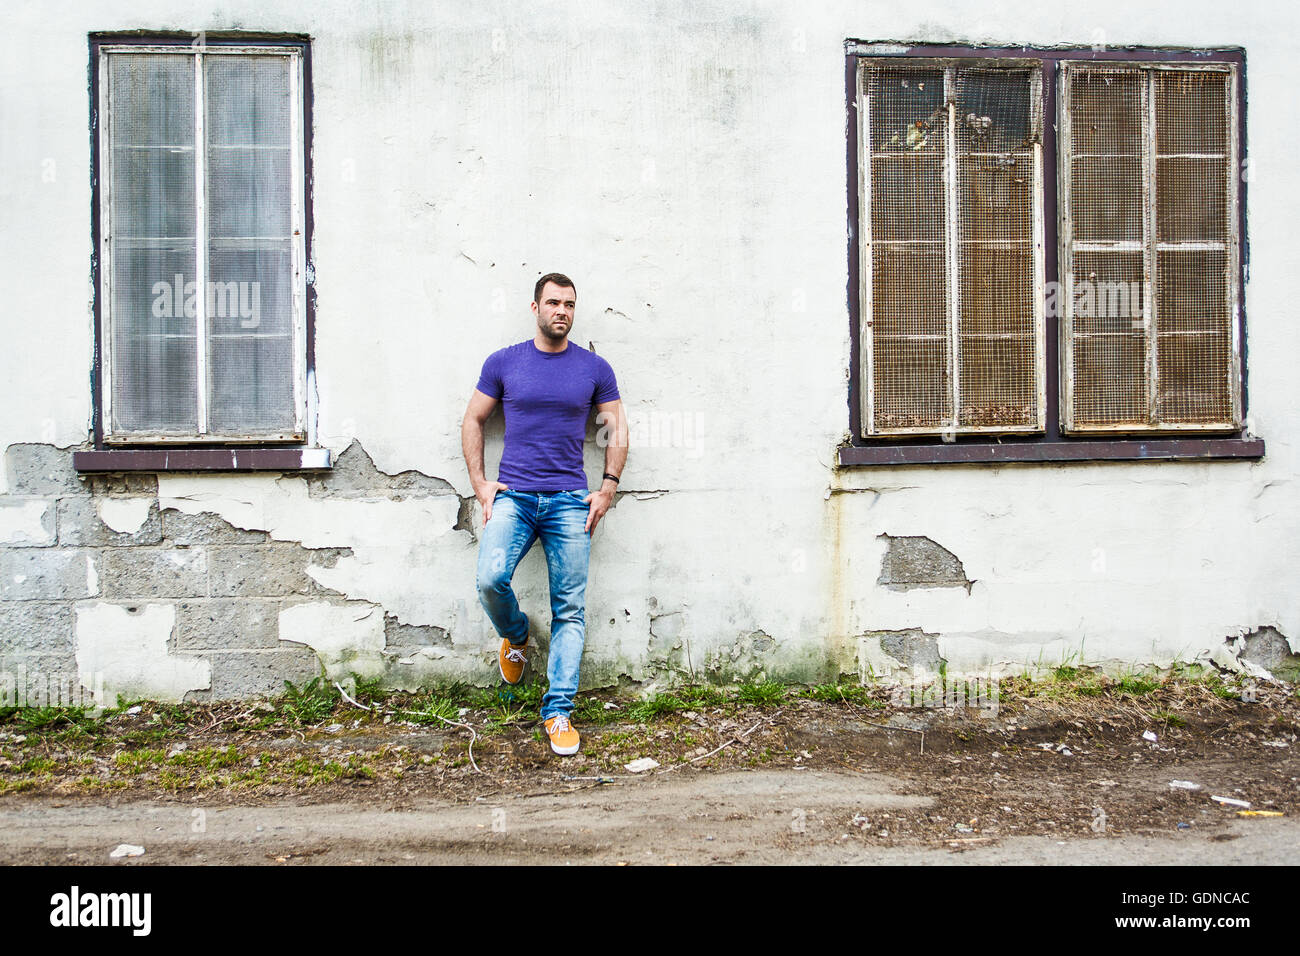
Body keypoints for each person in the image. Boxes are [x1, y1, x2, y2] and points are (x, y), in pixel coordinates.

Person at [462, 273, 628, 756]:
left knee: (570, 609)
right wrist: (480, 483)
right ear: (534, 307)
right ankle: (515, 635)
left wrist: (607, 488)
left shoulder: (594, 368)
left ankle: (557, 712)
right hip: (513, 497)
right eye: (553, 302)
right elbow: (474, 418)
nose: (562, 311)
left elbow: (616, 427)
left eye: (570, 304)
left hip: (570, 501)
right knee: (490, 579)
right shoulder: (504, 362)